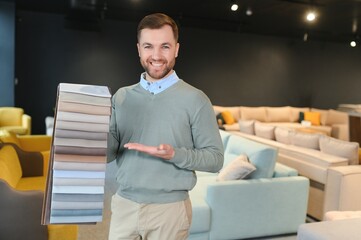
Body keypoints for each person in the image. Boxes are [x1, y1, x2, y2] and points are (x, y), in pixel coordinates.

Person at [107, 13, 224, 240]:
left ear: (177, 49)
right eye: (149, 46)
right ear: (139, 49)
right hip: (124, 205)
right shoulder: (121, 97)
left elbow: (215, 159)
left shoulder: (196, 99)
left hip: (169, 212)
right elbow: (108, 155)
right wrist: (87, 131)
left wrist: (174, 154)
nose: (157, 55)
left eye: (165, 47)